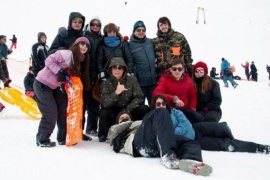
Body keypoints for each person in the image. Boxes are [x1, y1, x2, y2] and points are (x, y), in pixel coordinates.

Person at [107, 108, 213, 176]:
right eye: (122, 118)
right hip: (139, 143)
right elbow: (112, 135)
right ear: (118, 121)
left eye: (127, 117)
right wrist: (128, 122)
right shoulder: (116, 129)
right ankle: (168, 156)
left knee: (190, 142)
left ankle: (191, 160)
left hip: (158, 142)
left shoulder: (137, 123)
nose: (125, 118)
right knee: (161, 111)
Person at [151, 94, 270, 154]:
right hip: (194, 141)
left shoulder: (175, 111)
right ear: (154, 106)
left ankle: (225, 130)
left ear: (166, 104)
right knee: (226, 145)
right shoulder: (154, 119)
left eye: (163, 103)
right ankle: (259, 147)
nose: (161, 106)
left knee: (220, 128)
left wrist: (175, 133)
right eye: (158, 104)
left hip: (196, 128)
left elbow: (185, 123)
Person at [34, 37, 91, 147]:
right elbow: (49, 60)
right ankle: (42, 139)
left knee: (63, 109)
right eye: (82, 44)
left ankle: (63, 137)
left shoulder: (79, 60)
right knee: (51, 112)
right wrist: (59, 71)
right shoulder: (66, 54)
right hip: (42, 84)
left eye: (87, 46)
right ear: (76, 44)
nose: (84, 47)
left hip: (55, 87)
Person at [98, 57, 149, 142]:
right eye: (114, 67)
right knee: (104, 112)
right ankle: (108, 134)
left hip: (129, 109)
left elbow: (139, 97)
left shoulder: (132, 80)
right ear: (110, 69)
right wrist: (116, 93)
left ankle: (140, 132)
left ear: (124, 69)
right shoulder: (106, 83)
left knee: (144, 109)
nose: (117, 70)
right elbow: (104, 102)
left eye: (120, 68)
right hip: (114, 110)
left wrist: (127, 111)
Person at [153, 58, 203, 124]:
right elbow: (156, 94)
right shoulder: (164, 79)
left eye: (179, 69)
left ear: (183, 70)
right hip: (169, 110)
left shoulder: (188, 80)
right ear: (171, 70)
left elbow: (192, 97)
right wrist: (173, 98)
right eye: (174, 69)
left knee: (198, 117)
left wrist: (192, 109)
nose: (177, 71)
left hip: (184, 110)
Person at [83, 16, 103, 136]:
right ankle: (78, 129)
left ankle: (91, 128)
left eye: (98, 25)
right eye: (93, 24)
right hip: (85, 74)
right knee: (83, 103)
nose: (95, 27)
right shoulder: (84, 36)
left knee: (95, 103)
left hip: (97, 75)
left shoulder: (101, 38)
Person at [129, 20, 157, 104]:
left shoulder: (150, 42)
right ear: (134, 31)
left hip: (153, 82)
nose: (141, 32)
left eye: (143, 30)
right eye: (138, 30)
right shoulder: (129, 44)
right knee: (140, 107)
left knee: (154, 106)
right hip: (140, 84)